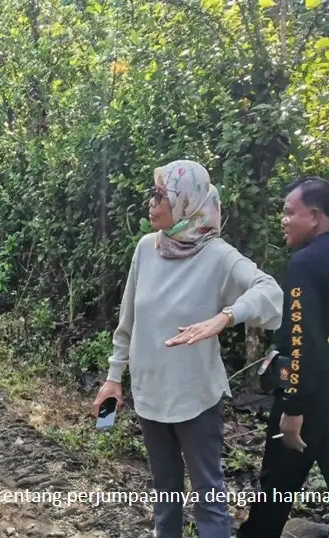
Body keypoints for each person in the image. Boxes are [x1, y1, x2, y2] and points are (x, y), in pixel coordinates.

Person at [92, 160, 284, 538]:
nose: (151, 202)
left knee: (209, 501)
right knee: (165, 500)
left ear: (186, 203)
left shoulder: (217, 255)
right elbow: (127, 321)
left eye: (160, 195)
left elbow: (272, 293)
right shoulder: (147, 249)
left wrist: (226, 316)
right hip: (150, 396)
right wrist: (114, 379)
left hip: (195, 399)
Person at [236, 177, 329, 538]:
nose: (283, 220)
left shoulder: (306, 262)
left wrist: (293, 409)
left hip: (309, 401)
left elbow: (300, 341)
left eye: (289, 212)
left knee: (275, 493)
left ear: (314, 216)